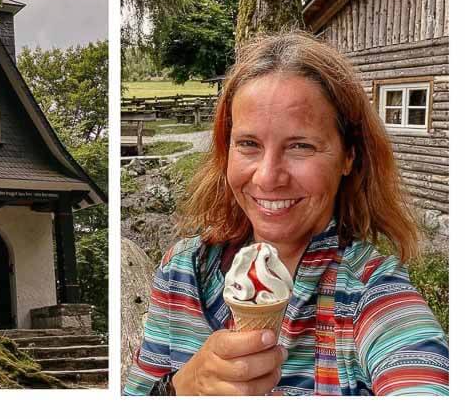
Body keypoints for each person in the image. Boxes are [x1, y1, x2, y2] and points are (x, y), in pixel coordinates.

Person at [124, 32, 449, 396]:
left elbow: (421, 378)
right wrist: (182, 388)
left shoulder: (370, 291)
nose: (268, 177)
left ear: (348, 156)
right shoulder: (182, 272)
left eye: (300, 146)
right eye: (249, 144)